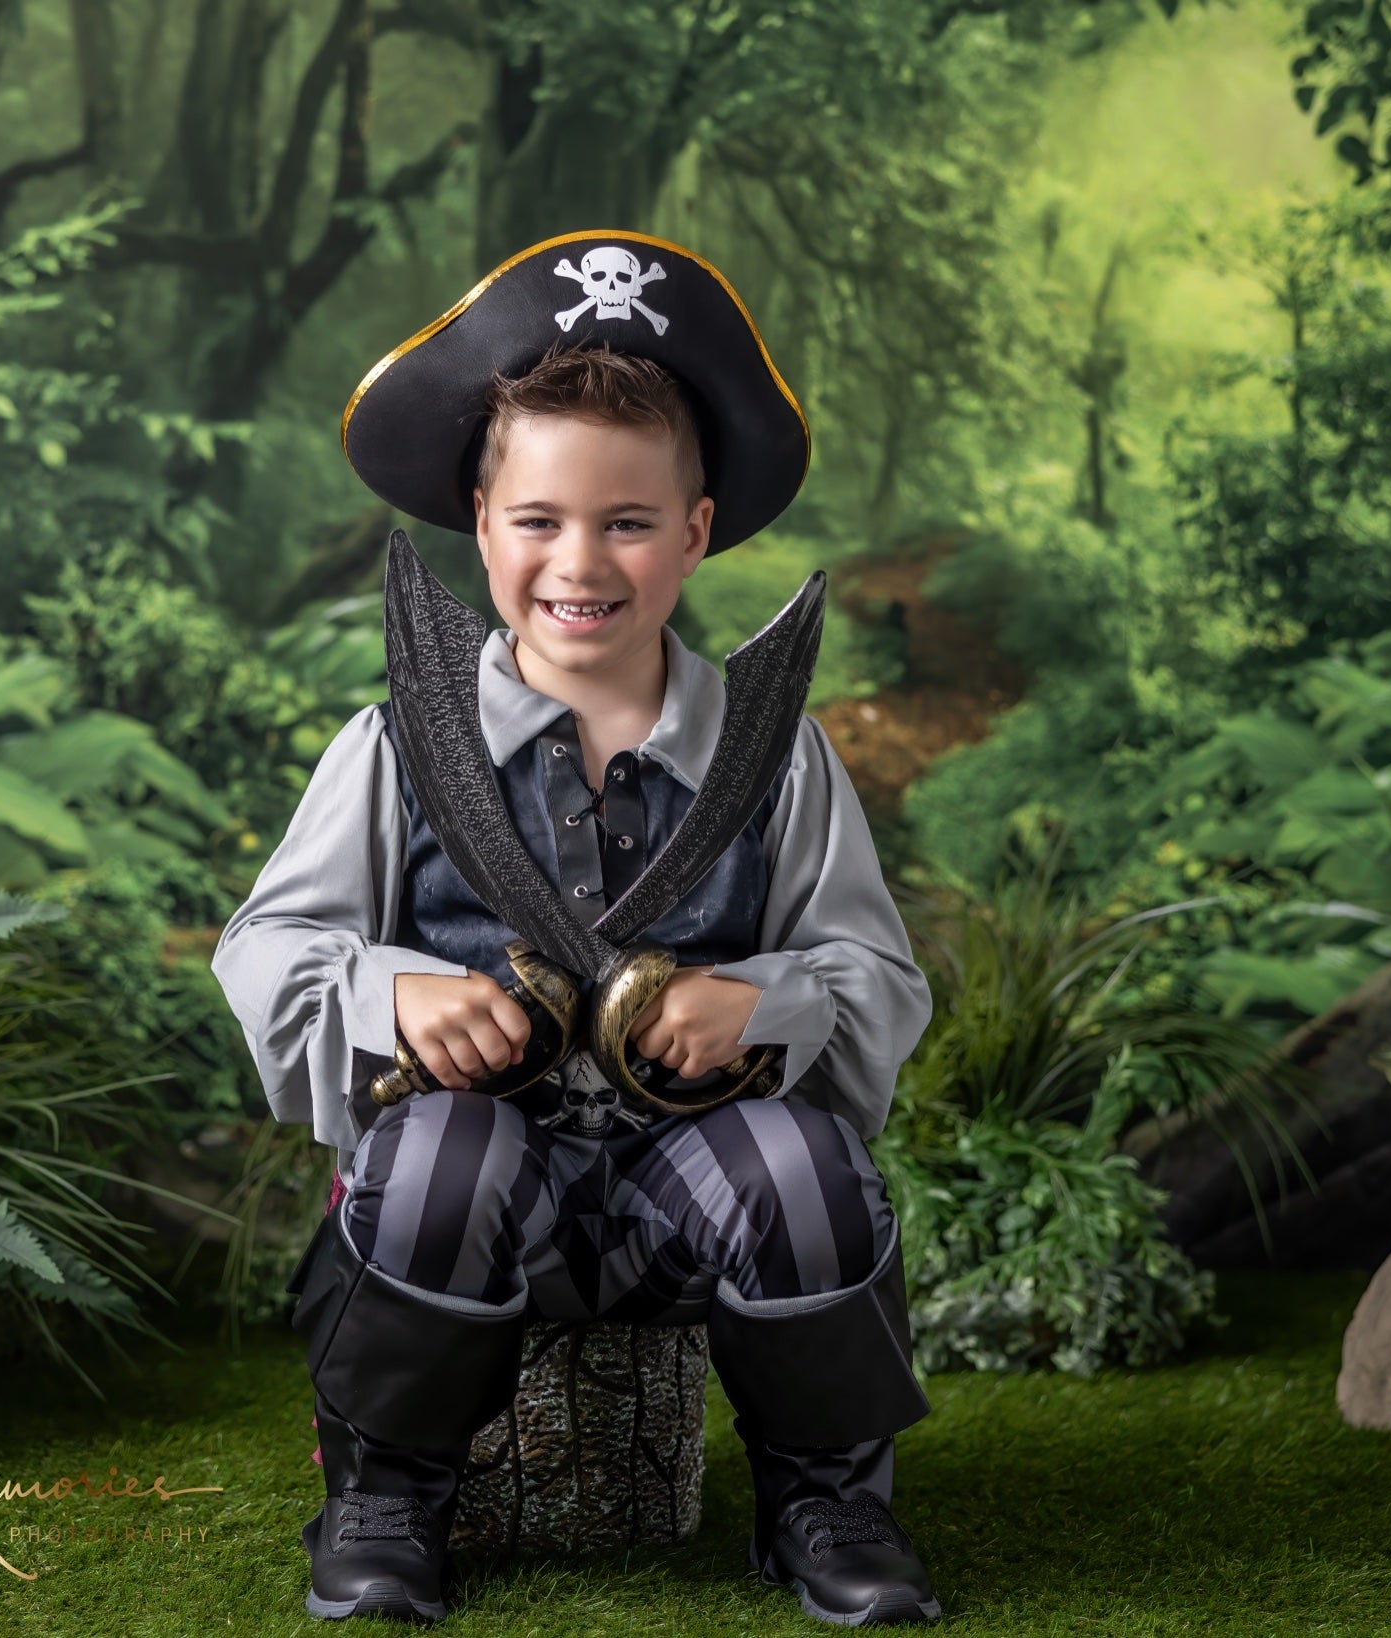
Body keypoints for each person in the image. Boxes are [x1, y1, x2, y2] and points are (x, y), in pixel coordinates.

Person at [212, 230, 940, 1626]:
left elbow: (875, 977)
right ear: (480, 522)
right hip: (484, 1197)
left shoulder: (775, 757)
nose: (579, 561)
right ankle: (386, 1493)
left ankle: (825, 1498)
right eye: (538, 519)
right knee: (432, 1153)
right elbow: (262, 945)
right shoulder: (397, 748)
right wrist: (387, 991)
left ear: (698, 531)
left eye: (628, 521)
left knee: (805, 1166)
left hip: (695, 1182)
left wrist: (769, 1001)